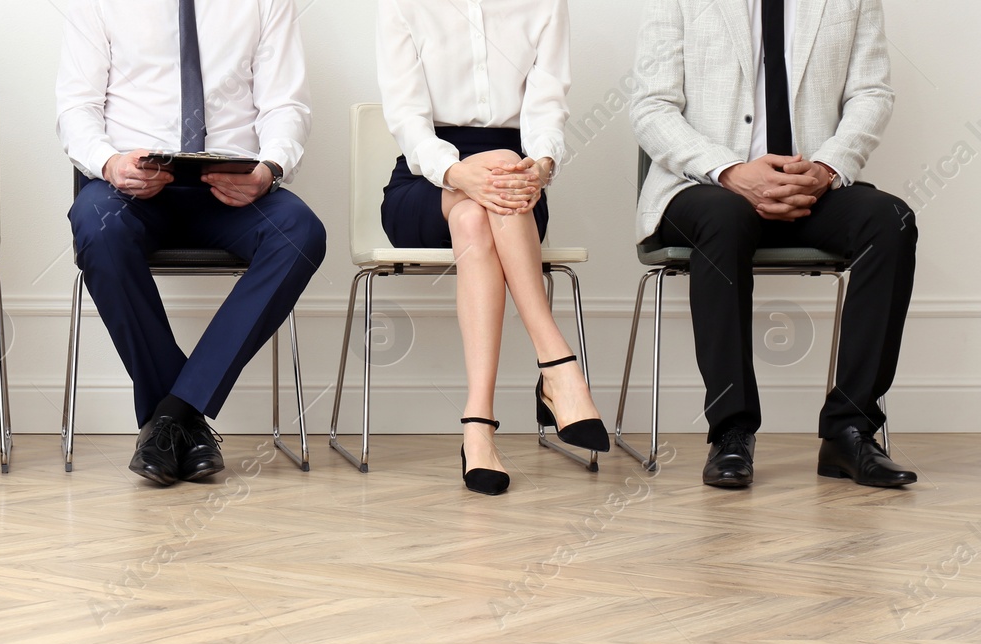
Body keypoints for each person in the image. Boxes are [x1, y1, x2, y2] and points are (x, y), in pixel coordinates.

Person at [632, 0, 917, 489]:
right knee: (726, 216)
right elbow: (652, 107)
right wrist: (729, 171)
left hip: (812, 184)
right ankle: (732, 431)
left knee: (890, 221)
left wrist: (827, 168)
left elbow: (871, 93)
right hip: (705, 187)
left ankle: (849, 430)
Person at [56, 0, 327, 487]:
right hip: (132, 187)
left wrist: (268, 170)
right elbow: (76, 108)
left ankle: (173, 415)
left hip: (232, 189)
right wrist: (111, 163)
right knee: (97, 225)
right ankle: (186, 419)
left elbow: (286, 105)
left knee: (302, 232)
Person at [377, 0, 607, 497]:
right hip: (425, 180)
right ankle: (557, 367)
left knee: (475, 216)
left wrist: (540, 168)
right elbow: (407, 117)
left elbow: (547, 108)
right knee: (487, 177)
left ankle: (478, 425)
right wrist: (460, 172)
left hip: (518, 192)